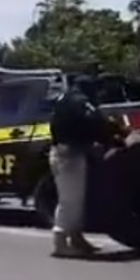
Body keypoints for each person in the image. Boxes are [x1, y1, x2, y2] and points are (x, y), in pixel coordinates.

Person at [48, 75, 115, 258]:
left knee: (76, 199)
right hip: (68, 154)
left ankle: (77, 238)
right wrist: (111, 136)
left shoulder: (65, 98)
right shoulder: (80, 102)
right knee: (69, 200)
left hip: (66, 151)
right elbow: (96, 123)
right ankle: (60, 243)